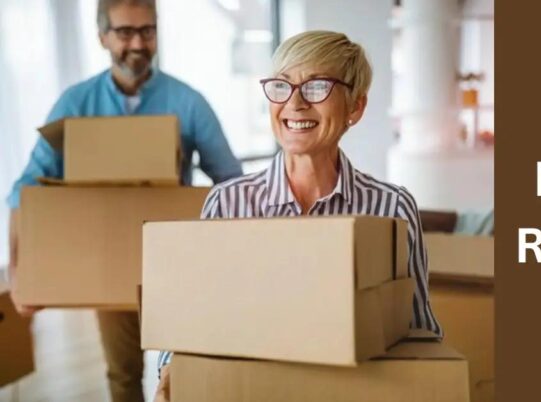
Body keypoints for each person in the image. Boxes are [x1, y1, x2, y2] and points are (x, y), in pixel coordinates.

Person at [152, 30, 442, 401]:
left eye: (317, 87)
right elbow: (191, 318)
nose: (295, 103)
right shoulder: (227, 204)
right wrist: (169, 373)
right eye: (281, 86)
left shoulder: (392, 209)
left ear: (355, 107)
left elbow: (418, 328)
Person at [5, 1, 242, 401]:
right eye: (125, 32)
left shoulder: (188, 102)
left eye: (147, 31)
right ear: (103, 37)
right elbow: (26, 188)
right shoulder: (76, 103)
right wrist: (18, 271)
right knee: (123, 374)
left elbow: (231, 182)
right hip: (108, 259)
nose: (138, 42)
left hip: (175, 262)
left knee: (184, 374)